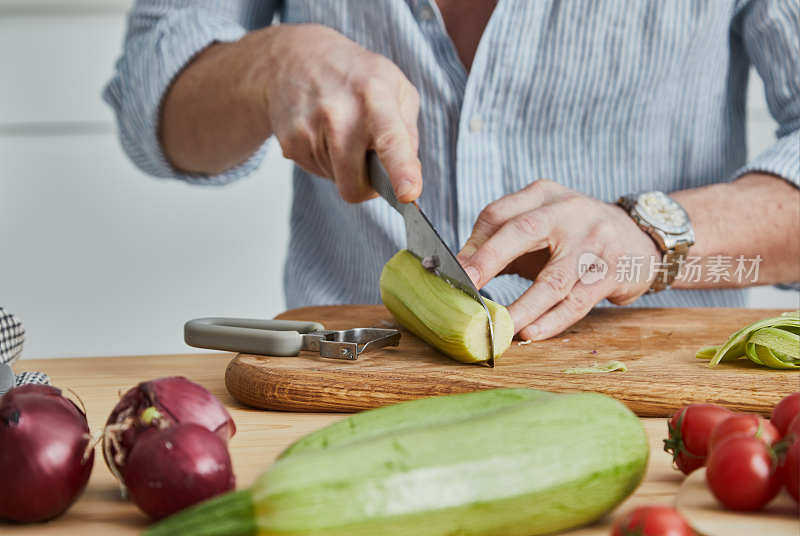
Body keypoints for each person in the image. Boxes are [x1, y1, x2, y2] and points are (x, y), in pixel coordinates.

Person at [105, 0, 799, 341]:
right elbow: (148, 101)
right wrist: (267, 65)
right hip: (350, 398)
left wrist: (654, 235)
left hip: (663, 413)